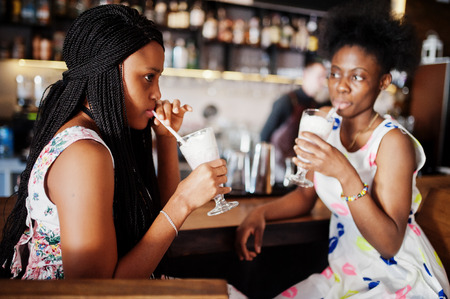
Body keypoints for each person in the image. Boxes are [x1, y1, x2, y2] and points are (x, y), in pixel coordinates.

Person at [235, 1, 450, 297]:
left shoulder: (393, 143)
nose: (341, 86)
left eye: (357, 76)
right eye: (335, 73)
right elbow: (304, 196)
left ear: (383, 82)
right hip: (343, 273)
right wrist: (260, 213)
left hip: (395, 278)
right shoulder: (323, 122)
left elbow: (389, 244)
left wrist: (345, 173)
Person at [0, 4, 230, 279]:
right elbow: (95, 291)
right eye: (148, 77)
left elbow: (159, 221)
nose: (158, 93)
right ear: (106, 73)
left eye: (158, 78)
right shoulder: (84, 155)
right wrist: (183, 201)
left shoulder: (104, 139)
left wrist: (166, 139)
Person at [259, 58, 328, 182]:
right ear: (305, 75)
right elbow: (264, 136)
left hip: (303, 171)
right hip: (279, 173)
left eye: (325, 77)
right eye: (320, 76)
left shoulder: (316, 105)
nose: (323, 81)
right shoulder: (286, 102)